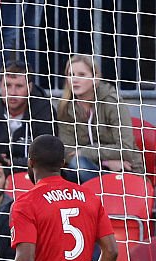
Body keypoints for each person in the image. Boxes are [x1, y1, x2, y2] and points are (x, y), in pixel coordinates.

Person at [56, 54, 143, 184]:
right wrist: (105, 161)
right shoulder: (65, 107)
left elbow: (126, 149)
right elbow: (68, 152)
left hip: (124, 169)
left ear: (95, 78)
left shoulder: (112, 102)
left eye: (81, 74)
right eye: (71, 74)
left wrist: (86, 152)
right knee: (74, 166)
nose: (74, 80)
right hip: (84, 168)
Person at [0, 63, 56, 170]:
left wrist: (10, 164)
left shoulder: (45, 111)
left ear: (30, 87)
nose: (12, 93)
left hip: (33, 175)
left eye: (19, 86)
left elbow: (46, 157)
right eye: (7, 85)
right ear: (0, 85)